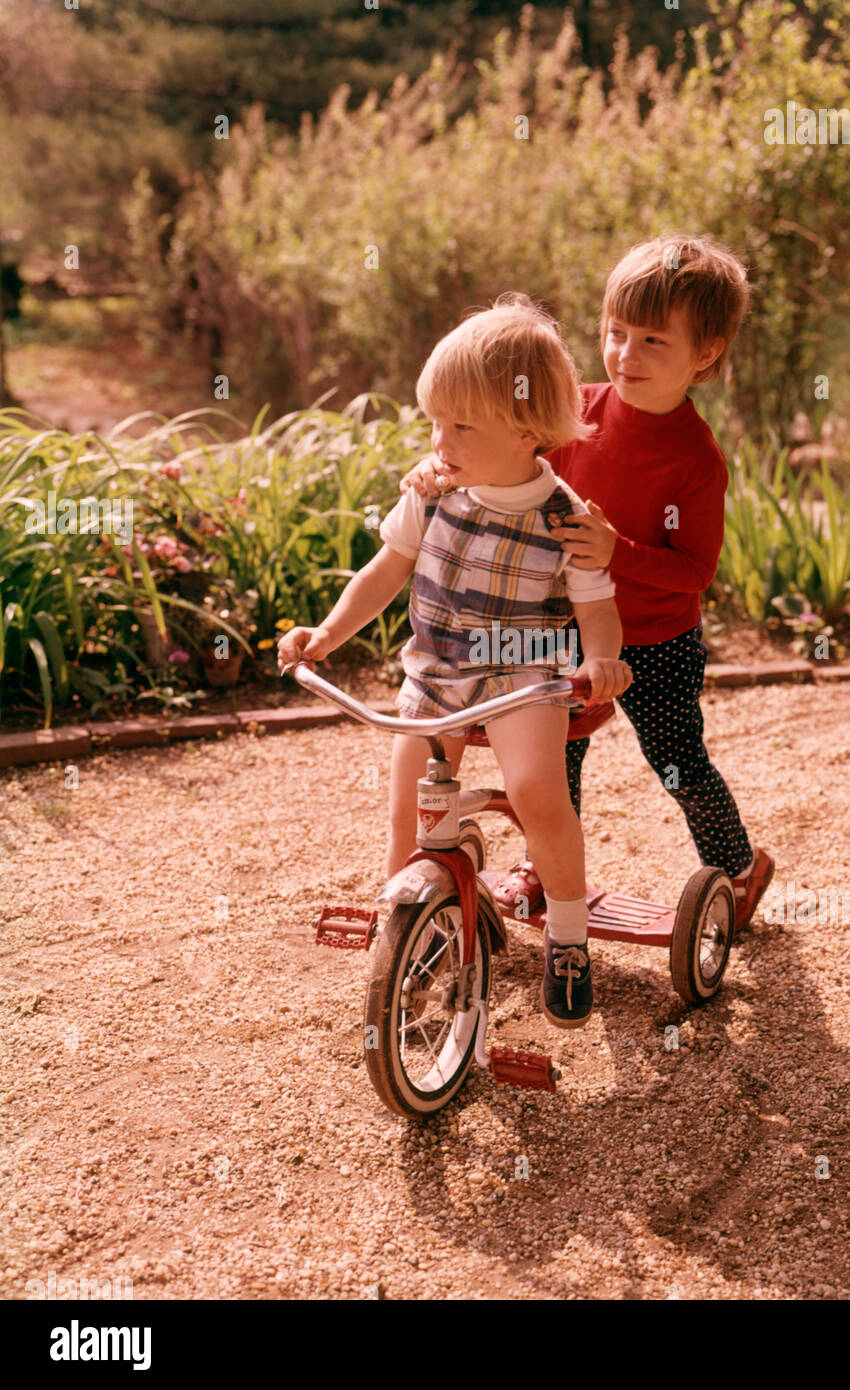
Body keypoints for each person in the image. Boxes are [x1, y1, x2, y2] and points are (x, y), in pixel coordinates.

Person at [277, 294, 632, 1028]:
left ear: (528, 427)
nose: (441, 438)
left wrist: (600, 659)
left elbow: (597, 607)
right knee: (407, 791)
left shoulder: (565, 518)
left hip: (520, 676)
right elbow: (383, 572)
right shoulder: (433, 490)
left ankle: (567, 934)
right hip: (436, 670)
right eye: (435, 419)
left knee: (536, 790)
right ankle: (402, 915)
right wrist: (326, 634)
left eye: (461, 424)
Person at [402, 236, 774, 931]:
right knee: (552, 759)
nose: (625, 354)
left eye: (652, 341)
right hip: (565, 629)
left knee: (675, 759)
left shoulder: (695, 458)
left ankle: (738, 866)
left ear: (705, 354)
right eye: (615, 333)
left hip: (656, 640)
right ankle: (544, 873)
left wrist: (616, 549)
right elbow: (505, 460)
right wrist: (437, 471)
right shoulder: (575, 411)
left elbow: (694, 570)